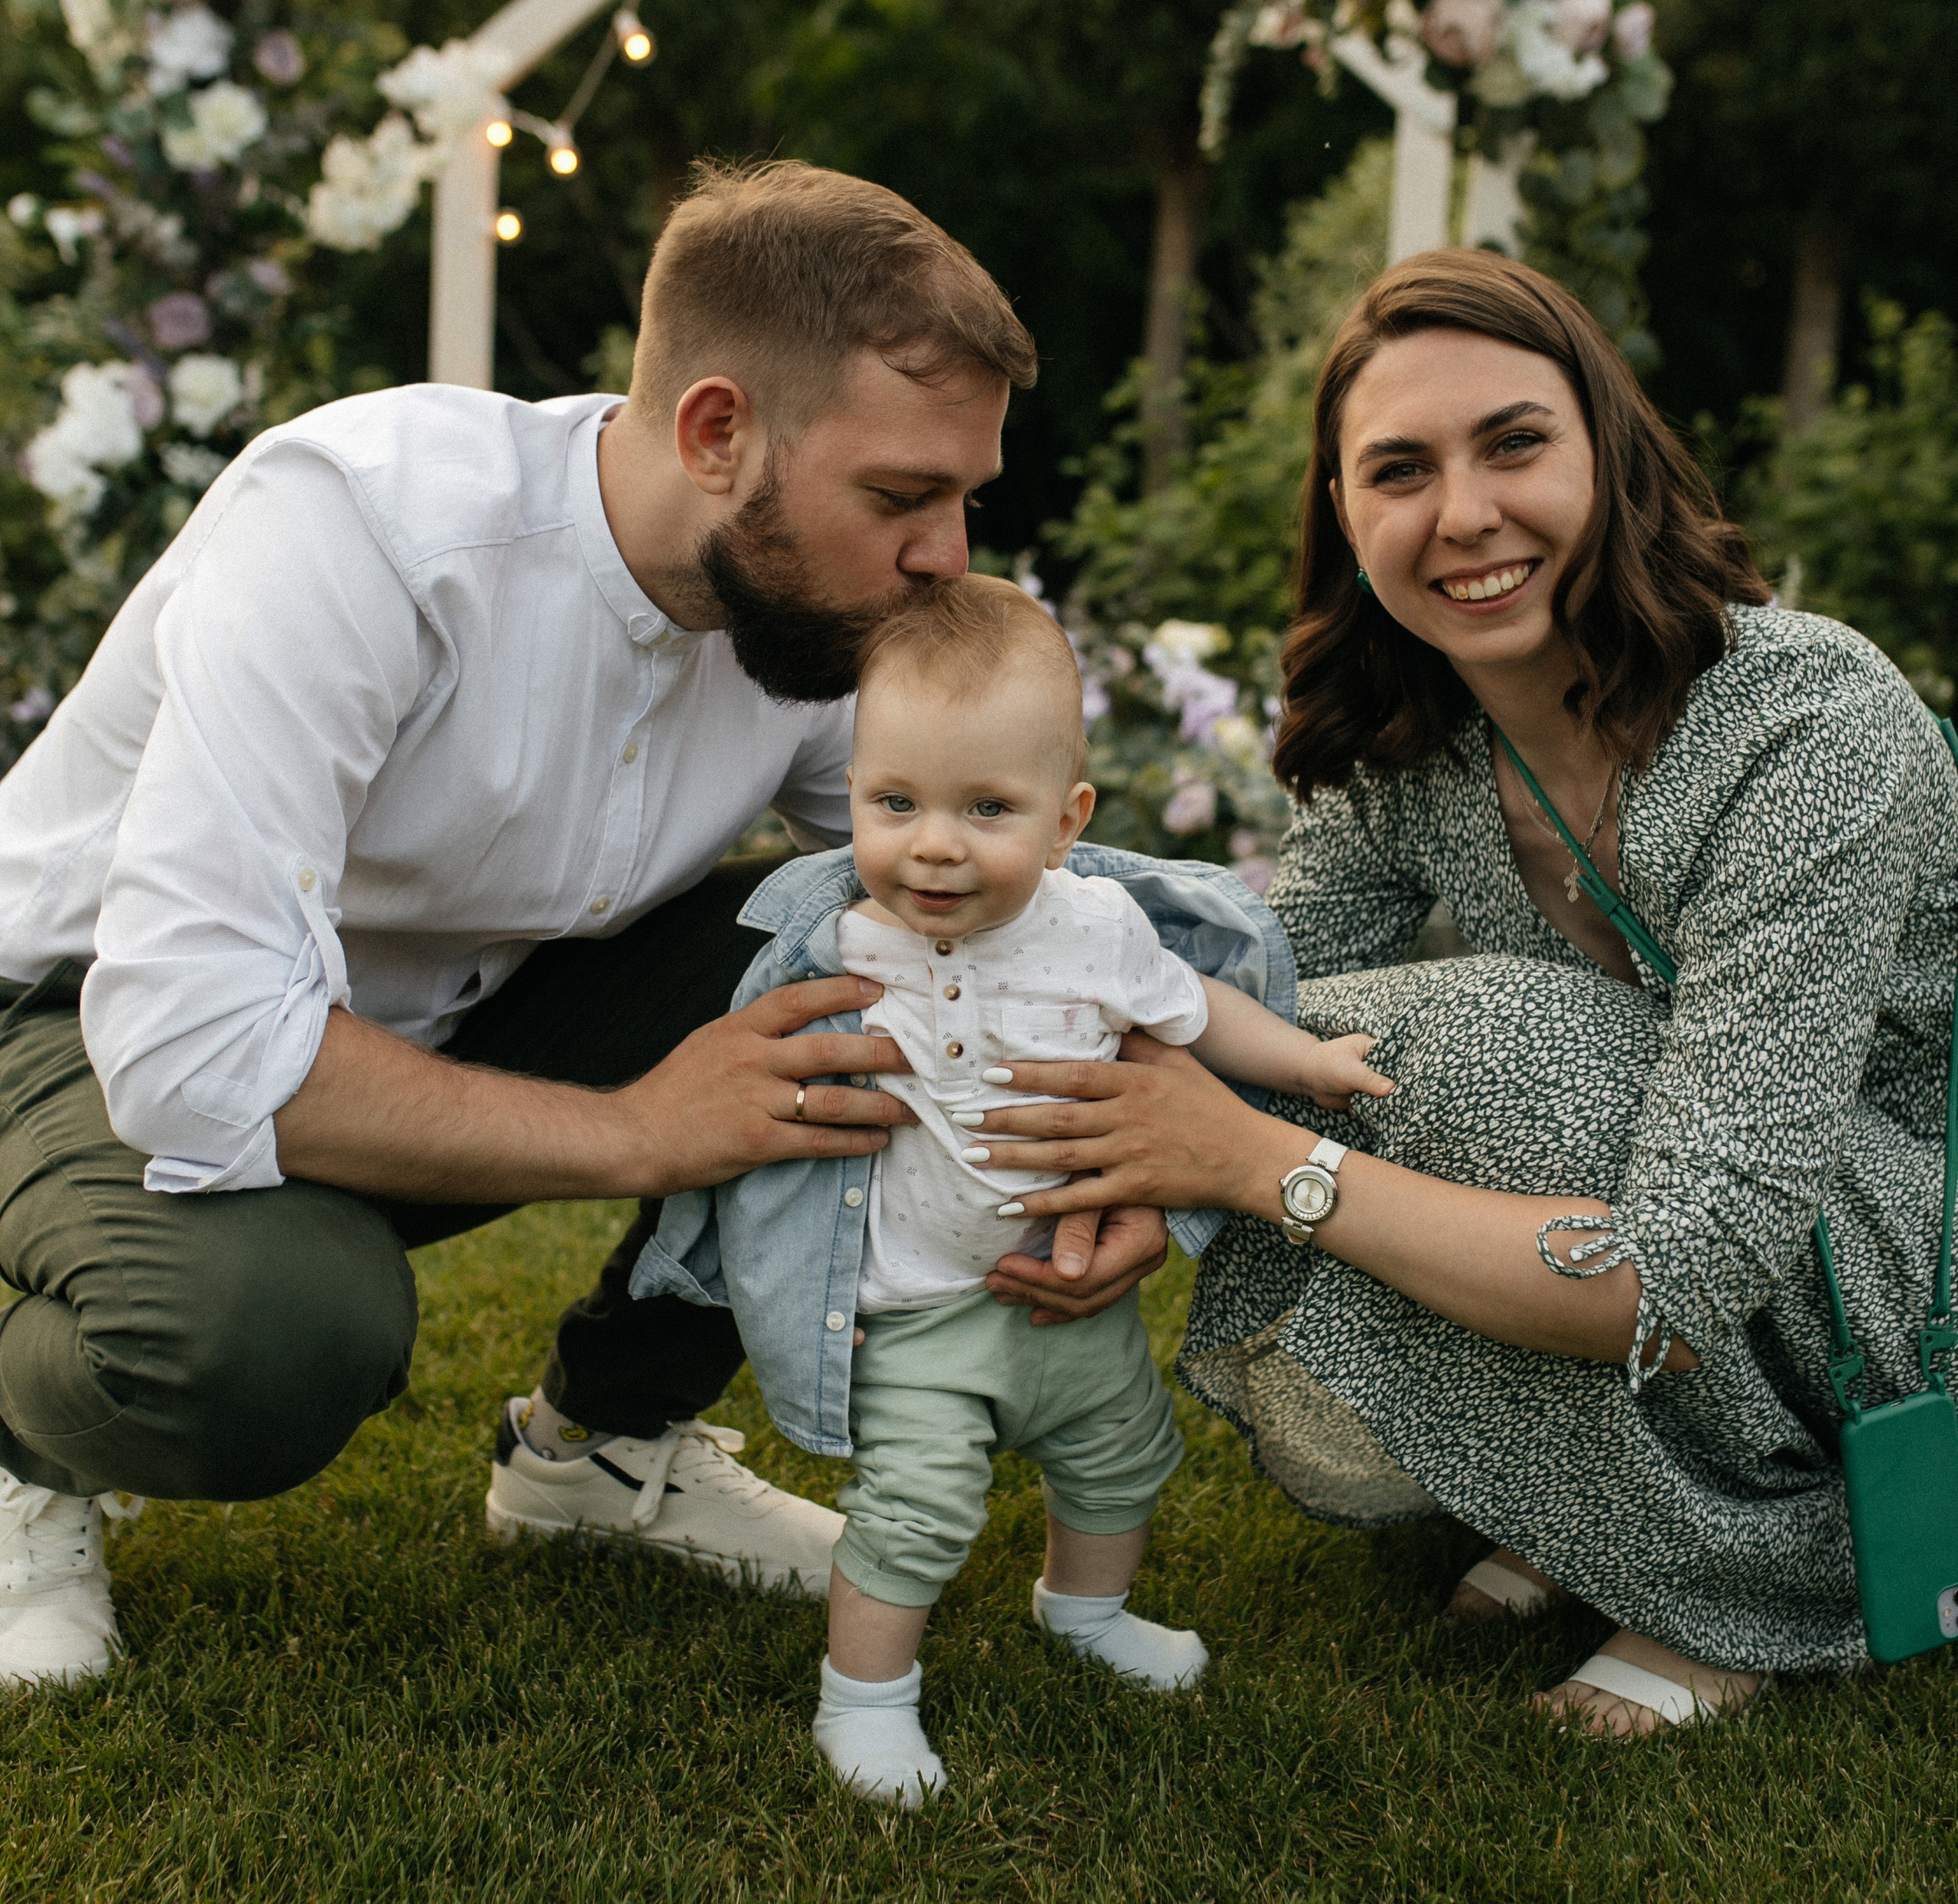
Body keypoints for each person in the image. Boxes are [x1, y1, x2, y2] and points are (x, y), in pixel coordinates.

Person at [0, 161, 1165, 1690]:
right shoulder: (361, 530)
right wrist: (635, 1132)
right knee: (267, 1339)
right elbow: (192, 1048)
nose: (947, 555)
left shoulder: (807, 620)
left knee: (873, 968)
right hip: (71, 1025)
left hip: (443, 1018)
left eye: (961, 500)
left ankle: (599, 1453)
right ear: (716, 431)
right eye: (899, 497)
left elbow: (1030, 920)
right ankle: (21, 1455)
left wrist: (1143, 1137)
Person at [946, 251, 1958, 1738]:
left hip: (1912, 1231)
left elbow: (1684, 1263)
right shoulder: (1406, 744)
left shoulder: (1801, 718)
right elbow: (1238, 1005)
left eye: (1514, 444)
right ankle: (1607, 1513)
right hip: (1717, 1212)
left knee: (1464, 1054)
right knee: (1320, 1033)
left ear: (1609, 460)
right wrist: (1138, 1185)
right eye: (1398, 470)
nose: (1463, 513)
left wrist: (1248, 1167)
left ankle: (1734, 1582)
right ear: (1347, 522)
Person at [639, 574, 1387, 1805]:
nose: (932, 845)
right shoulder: (839, 943)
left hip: (1061, 1288)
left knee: (1124, 1457)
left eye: (986, 807)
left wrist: (1308, 1061)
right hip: (916, 1305)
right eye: (894, 803)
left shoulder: (1097, 931)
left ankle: (1084, 1612)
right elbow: (758, 1073)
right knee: (922, 1507)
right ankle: (863, 1703)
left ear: (1066, 817)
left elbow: (1203, 1016)